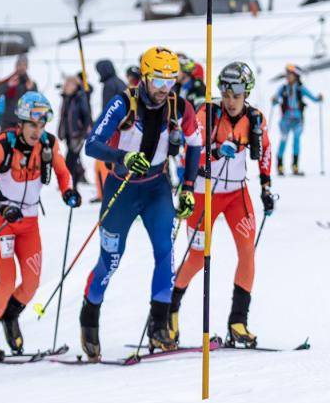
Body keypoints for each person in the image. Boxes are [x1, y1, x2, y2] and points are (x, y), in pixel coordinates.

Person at [81, 46, 201, 359]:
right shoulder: (123, 102)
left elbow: (195, 145)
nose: (164, 89)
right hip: (121, 188)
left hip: (156, 187)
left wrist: (188, 187)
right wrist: (123, 157)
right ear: (144, 76)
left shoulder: (179, 106)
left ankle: (159, 324)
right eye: (158, 81)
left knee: (165, 252)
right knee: (111, 259)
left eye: (171, 81)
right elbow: (91, 145)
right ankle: (89, 317)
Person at [170, 62, 273, 347]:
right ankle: (170, 312)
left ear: (246, 94)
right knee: (197, 256)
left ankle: (238, 321)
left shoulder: (255, 119)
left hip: (237, 195)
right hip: (205, 191)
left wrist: (266, 186)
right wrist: (215, 151)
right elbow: (190, 154)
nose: (229, 101)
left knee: (247, 252)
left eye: (236, 96)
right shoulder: (208, 114)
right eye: (226, 95)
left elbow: (265, 151)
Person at [0, 92, 79, 360]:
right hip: (3, 221)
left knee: (31, 284)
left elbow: (63, 173)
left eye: (42, 125)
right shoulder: (3, 146)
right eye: (32, 125)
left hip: (30, 223)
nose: (37, 131)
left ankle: (10, 316)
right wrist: (0, 206)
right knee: (7, 282)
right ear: (21, 122)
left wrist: (68, 191)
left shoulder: (48, 144)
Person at [271, 64, 320, 176]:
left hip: (298, 119)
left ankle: (295, 166)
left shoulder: (300, 88)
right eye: (287, 74)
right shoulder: (283, 88)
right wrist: (274, 100)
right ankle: (280, 166)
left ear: (296, 76)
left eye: (290, 74)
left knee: (296, 141)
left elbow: (313, 98)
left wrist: (318, 98)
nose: (288, 76)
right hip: (285, 120)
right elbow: (275, 101)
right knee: (283, 141)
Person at [57, 74, 92, 189]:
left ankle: (72, 184)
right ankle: (70, 182)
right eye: (65, 84)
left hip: (77, 134)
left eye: (68, 84)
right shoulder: (66, 98)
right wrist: (61, 130)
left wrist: (86, 130)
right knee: (73, 159)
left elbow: (86, 115)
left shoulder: (80, 97)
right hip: (68, 133)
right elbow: (63, 117)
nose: (66, 86)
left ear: (75, 85)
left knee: (71, 159)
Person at [0, 55, 36, 129]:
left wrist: (30, 89)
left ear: (27, 67)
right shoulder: (8, 81)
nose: (22, 67)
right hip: (7, 120)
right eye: (19, 64)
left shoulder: (31, 84)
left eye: (24, 65)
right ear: (16, 66)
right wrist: (8, 85)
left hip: (23, 120)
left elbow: (36, 101)